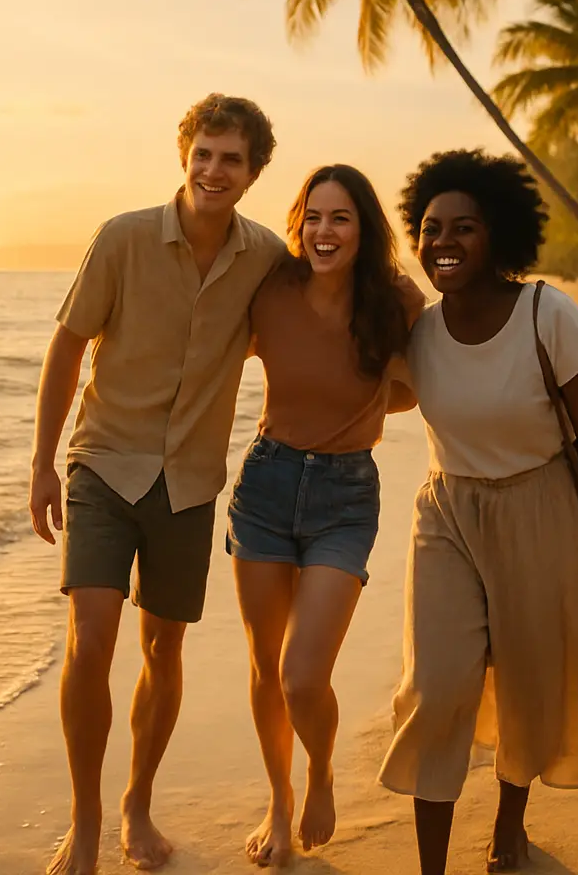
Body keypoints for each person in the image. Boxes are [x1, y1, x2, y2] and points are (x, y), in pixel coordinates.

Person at [377, 149, 578, 874]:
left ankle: (508, 830)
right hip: (447, 512)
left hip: (539, 508)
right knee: (437, 687)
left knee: (528, 682)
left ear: (499, 238)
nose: (444, 243)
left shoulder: (550, 315)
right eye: (430, 229)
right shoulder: (417, 332)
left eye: (465, 228)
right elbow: (354, 394)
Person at [28, 94, 285, 874]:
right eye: (203, 153)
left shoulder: (268, 259)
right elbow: (66, 349)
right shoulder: (124, 238)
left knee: (163, 648)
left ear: (252, 173)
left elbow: (317, 329)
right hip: (104, 463)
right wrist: (41, 463)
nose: (214, 170)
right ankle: (86, 820)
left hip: (190, 485)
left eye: (231, 159)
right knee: (92, 640)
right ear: (185, 154)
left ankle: (137, 803)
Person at [227, 165, 425, 867]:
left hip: (346, 497)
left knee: (303, 675)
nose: (323, 232)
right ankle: (279, 805)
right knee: (265, 668)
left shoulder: (396, 300)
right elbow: (209, 355)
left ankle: (320, 774)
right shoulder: (271, 287)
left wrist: (362, 412)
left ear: (363, 228)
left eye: (340, 218)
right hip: (266, 486)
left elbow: (414, 386)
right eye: (313, 217)